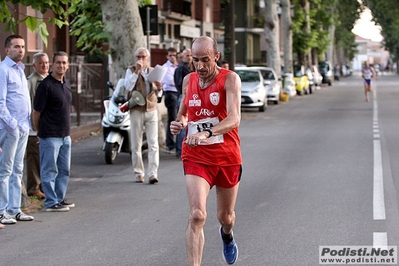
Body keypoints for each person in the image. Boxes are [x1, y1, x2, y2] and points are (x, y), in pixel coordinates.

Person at [170, 36, 242, 265]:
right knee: (197, 215)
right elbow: (183, 112)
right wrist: (179, 122)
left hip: (226, 156)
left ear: (216, 57)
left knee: (225, 217)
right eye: (195, 60)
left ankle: (227, 235)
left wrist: (207, 132)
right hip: (196, 155)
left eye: (205, 60)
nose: (199, 66)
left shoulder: (230, 79)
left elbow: (234, 118)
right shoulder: (188, 80)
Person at [33, 51, 74, 212]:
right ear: (53, 64)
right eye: (58, 62)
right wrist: (40, 131)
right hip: (50, 135)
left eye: (64, 63)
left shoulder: (66, 83)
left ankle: (59, 198)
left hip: (65, 135)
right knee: (49, 170)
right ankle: (50, 202)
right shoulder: (45, 85)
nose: (61, 65)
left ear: (68, 65)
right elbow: (36, 113)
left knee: (64, 170)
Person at [0, 35, 34, 224]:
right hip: (9, 128)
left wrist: (24, 125)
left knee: (17, 169)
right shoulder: (3, 70)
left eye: (22, 46)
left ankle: (14, 209)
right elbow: (1, 102)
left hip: (23, 127)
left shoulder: (20, 70)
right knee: (4, 170)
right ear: (7, 50)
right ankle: (1, 210)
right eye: (16, 47)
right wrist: (12, 124)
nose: (20, 50)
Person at [121, 47, 163, 184]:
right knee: (136, 143)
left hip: (151, 109)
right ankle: (139, 172)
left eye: (143, 57)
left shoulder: (153, 72)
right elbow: (128, 86)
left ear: (148, 58)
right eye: (138, 57)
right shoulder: (131, 70)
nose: (141, 59)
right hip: (136, 110)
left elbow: (159, 94)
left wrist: (160, 88)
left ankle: (153, 173)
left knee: (153, 143)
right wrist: (137, 71)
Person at [26, 52, 49, 199]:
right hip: (34, 127)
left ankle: (43, 186)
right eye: (41, 63)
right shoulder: (31, 81)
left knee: (44, 158)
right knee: (33, 158)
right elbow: (29, 105)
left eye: (46, 62)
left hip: (47, 126)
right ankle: (33, 188)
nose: (44, 65)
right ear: (34, 65)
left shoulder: (49, 79)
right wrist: (34, 125)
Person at [173, 48, 194, 159]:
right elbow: (178, 84)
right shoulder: (180, 69)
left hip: (195, 98)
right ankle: (180, 149)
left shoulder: (195, 68)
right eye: (187, 55)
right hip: (183, 96)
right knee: (182, 124)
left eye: (191, 55)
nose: (189, 57)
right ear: (182, 56)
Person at [161, 47, 178, 153]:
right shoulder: (165, 68)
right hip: (170, 93)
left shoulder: (177, 66)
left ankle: (173, 142)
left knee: (177, 118)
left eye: (174, 55)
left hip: (177, 92)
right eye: (170, 55)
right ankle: (170, 143)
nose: (172, 57)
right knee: (172, 119)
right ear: (167, 56)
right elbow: (172, 81)